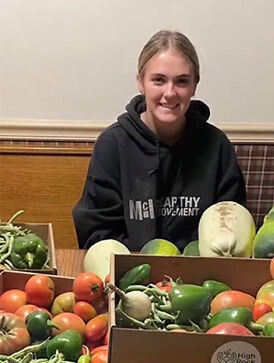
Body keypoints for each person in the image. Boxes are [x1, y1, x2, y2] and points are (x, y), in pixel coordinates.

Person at [73, 30, 246, 251]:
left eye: (182, 81)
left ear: (195, 86)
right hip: (129, 276)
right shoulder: (113, 145)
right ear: (140, 83)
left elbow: (233, 226)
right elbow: (96, 234)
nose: (170, 93)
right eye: (158, 80)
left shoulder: (217, 146)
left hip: (199, 276)